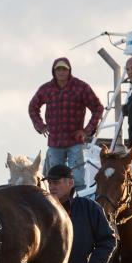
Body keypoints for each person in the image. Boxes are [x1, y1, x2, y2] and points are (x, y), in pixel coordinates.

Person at [28, 57, 104, 191]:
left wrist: (87, 131)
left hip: (75, 140)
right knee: (54, 178)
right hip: (55, 142)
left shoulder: (81, 87)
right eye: (58, 69)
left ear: (69, 71)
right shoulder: (46, 89)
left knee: (78, 180)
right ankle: (56, 204)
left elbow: (98, 107)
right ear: (54, 71)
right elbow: (32, 107)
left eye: (64, 69)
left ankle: (78, 201)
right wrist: (41, 126)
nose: (61, 72)